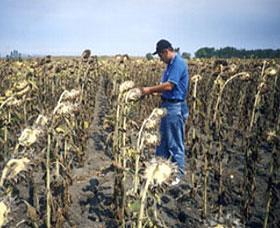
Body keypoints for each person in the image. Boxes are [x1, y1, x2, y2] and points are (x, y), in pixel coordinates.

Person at [141, 39, 189, 185]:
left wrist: (149, 90)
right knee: (162, 143)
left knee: (175, 143)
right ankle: (158, 174)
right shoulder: (170, 65)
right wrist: (154, 94)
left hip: (175, 108)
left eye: (160, 56)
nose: (160, 59)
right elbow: (166, 89)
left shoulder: (178, 63)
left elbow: (169, 86)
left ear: (166, 51)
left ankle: (177, 176)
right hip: (167, 106)